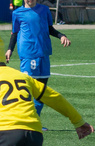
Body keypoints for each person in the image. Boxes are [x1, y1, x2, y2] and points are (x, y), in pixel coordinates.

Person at [5, 0, 71, 128]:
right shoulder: (18, 13)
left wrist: (62, 36)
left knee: (42, 90)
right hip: (28, 53)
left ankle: (35, 121)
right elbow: (15, 33)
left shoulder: (44, 10)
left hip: (44, 52)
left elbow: (49, 29)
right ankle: (22, 121)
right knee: (27, 90)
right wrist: (9, 49)